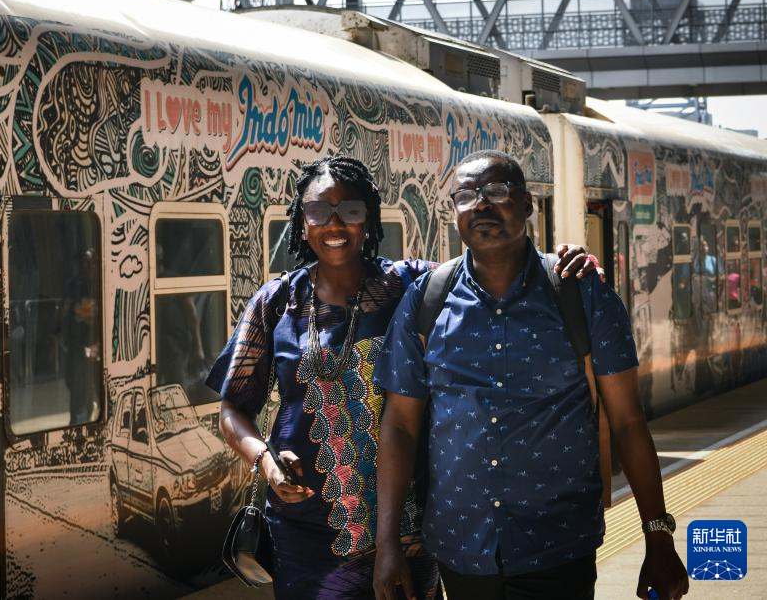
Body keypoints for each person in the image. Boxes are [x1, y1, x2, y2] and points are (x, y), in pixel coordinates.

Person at [206, 155, 598, 599]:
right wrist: (265, 460)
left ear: (369, 219)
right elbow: (232, 409)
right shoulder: (276, 302)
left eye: (350, 210)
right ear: (301, 221)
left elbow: (492, 269)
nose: (334, 224)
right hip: (307, 532)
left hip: (411, 526)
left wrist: (566, 266)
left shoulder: (414, 286)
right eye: (318, 211)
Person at [373, 150, 689, 600]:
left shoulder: (581, 294)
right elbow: (400, 425)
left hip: (558, 546)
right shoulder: (427, 300)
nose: (481, 204)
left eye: (496, 191)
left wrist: (657, 535)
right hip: (462, 547)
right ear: (454, 212)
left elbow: (628, 422)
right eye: (466, 196)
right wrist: (387, 542)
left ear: (526, 206)